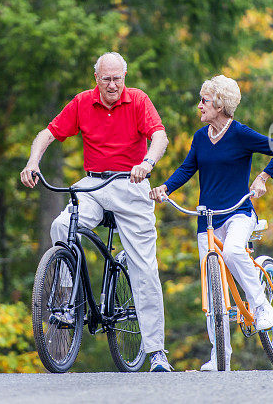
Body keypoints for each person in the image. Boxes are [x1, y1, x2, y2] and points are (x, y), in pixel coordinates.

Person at [20, 52, 174, 372]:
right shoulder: (82, 103)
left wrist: (146, 163)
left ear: (125, 77)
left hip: (131, 185)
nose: (113, 84)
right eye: (107, 78)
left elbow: (159, 137)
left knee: (144, 266)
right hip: (93, 184)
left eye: (118, 78)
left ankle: (156, 350)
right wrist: (33, 161)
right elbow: (47, 134)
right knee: (62, 227)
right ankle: (66, 303)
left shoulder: (138, 101)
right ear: (97, 79)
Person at [149, 74, 273, 371]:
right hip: (208, 219)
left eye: (204, 100)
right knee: (212, 291)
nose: (198, 105)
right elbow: (187, 168)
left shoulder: (239, 134)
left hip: (239, 212)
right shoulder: (201, 138)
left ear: (219, 105)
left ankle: (261, 305)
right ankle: (220, 356)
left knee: (233, 251)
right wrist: (165, 188)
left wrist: (263, 178)